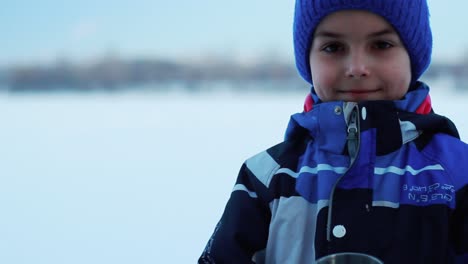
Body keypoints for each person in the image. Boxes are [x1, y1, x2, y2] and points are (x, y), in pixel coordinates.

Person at [199, 0, 468, 263]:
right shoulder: (267, 177)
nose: (357, 68)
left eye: (381, 44)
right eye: (333, 47)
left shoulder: (458, 173)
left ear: (413, 57)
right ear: (308, 60)